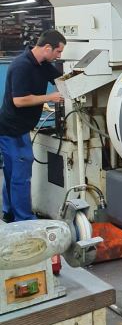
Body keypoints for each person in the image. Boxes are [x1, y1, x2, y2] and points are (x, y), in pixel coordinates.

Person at [0, 30, 66, 222]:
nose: (59, 56)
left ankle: (9, 212)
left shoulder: (42, 65)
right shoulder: (21, 65)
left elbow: (61, 80)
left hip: (19, 127)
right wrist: (50, 97)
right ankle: (24, 219)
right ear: (47, 48)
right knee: (21, 174)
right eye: (58, 52)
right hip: (12, 130)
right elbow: (19, 100)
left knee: (12, 172)